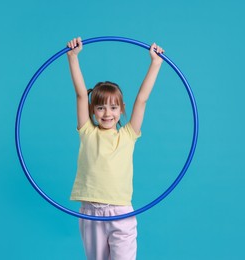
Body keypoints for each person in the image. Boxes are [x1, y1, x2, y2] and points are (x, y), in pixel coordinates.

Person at [67, 36, 164, 260]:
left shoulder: (128, 135)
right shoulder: (87, 132)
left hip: (120, 212)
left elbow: (142, 99)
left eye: (113, 107)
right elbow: (81, 94)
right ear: (93, 111)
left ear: (121, 110)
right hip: (90, 211)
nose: (107, 113)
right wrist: (73, 58)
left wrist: (155, 63)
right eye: (100, 107)